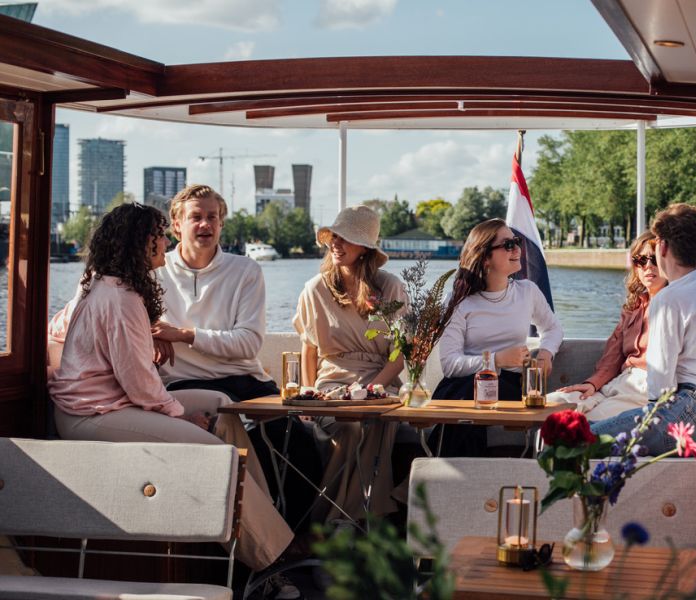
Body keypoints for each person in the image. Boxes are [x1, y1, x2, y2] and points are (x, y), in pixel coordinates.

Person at [47, 203, 295, 582]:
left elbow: (63, 333)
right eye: (159, 234)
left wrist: (142, 336)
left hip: (116, 403)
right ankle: (271, 560)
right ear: (141, 243)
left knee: (221, 405)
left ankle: (262, 522)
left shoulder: (101, 285)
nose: (166, 241)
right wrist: (180, 416)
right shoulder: (120, 297)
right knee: (217, 454)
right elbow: (140, 383)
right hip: (93, 415)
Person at [151, 184, 321, 538]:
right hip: (184, 383)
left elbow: (247, 344)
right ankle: (257, 543)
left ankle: (299, 540)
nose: (205, 225)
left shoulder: (245, 271)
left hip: (243, 379)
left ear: (221, 224)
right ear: (176, 224)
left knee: (298, 442)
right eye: (195, 217)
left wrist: (183, 335)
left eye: (212, 217)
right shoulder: (154, 271)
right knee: (246, 448)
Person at [591, 203, 696, 455]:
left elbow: (661, 387)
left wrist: (643, 418)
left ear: (662, 247)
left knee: (573, 440)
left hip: (686, 414)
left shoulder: (668, 299)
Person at [293, 205, 407, 522]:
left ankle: (326, 522)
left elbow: (401, 352)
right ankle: (358, 518)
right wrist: (306, 394)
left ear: (366, 249)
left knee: (376, 418)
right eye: (334, 236)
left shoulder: (390, 287)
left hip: (381, 381)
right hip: (332, 382)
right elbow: (309, 349)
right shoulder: (315, 289)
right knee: (351, 424)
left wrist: (375, 387)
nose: (336, 244)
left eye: (346, 238)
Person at [433, 218, 563, 455]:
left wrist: (546, 353)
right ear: (485, 257)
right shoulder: (459, 301)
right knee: (466, 393)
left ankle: (446, 475)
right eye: (508, 245)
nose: (517, 249)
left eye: (517, 242)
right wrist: (497, 359)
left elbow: (553, 329)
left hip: (512, 385)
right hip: (464, 384)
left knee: (467, 397)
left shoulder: (527, 292)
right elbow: (450, 365)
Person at [548, 231, 667, 421]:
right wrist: (592, 384)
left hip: (644, 389)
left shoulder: (676, 307)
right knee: (551, 405)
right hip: (615, 383)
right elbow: (613, 356)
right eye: (641, 260)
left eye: (655, 259)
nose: (648, 266)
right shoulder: (633, 308)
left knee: (583, 424)